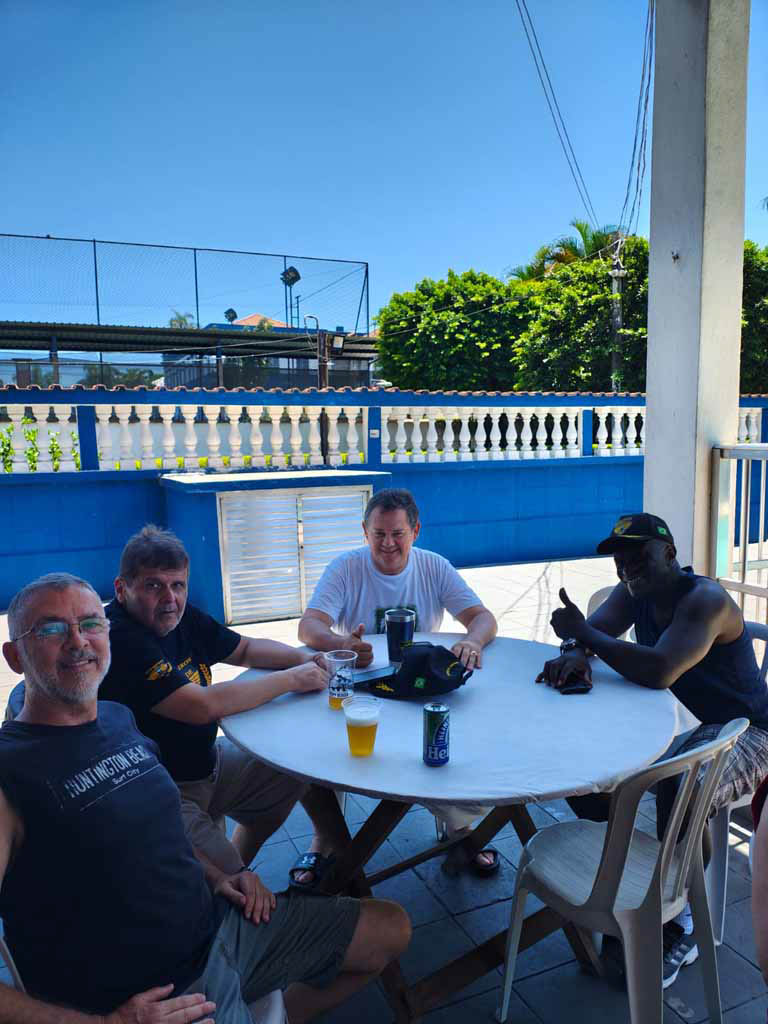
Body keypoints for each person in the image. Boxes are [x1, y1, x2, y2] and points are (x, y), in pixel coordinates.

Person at [0, 572, 410, 1022]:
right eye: (51, 629)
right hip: (162, 993)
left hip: (222, 925)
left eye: (91, 624)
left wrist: (217, 876)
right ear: (15, 656)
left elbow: (156, 831)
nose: (78, 641)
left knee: (390, 928)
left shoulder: (118, 720)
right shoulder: (11, 771)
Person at [537, 512, 768, 987]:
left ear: (669, 553)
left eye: (638, 556)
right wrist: (575, 651)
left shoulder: (705, 600)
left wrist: (583, 636)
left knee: (680, 784)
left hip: (745, 732)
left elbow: (660, 669)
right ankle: (622, 875)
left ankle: (678, 916)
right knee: (590, 763)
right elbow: (595, 630)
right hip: (679, 724)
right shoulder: (633, 591)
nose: (627, 568)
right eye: (620, 560)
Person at [99, 525, 336, 878]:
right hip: (162, 790)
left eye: (178, 585)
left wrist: (302, 659)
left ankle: (240, 862)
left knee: (296, 763)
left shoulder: (180, 616)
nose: (170, 598)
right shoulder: (119, 637)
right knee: (235, 888)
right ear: (122, 589)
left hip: (209, 764)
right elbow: (202, 707)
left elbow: (244, 649)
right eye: (153, 586)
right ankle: (229, 882)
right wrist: (292, 679)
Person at [297, 487, 499, 882]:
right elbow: (309, 626)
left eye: (398, 534)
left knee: (449, 735)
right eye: (379, 534)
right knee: (321, 745)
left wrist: (473, 641)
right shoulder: (345, 567)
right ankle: (324, 838)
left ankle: (459, 827)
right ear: (365, 532)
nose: (388, 544)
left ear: (415, 531)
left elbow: (483, 617)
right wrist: (343, 644)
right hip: (362, 687)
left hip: (420, 687)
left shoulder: (434, 566)